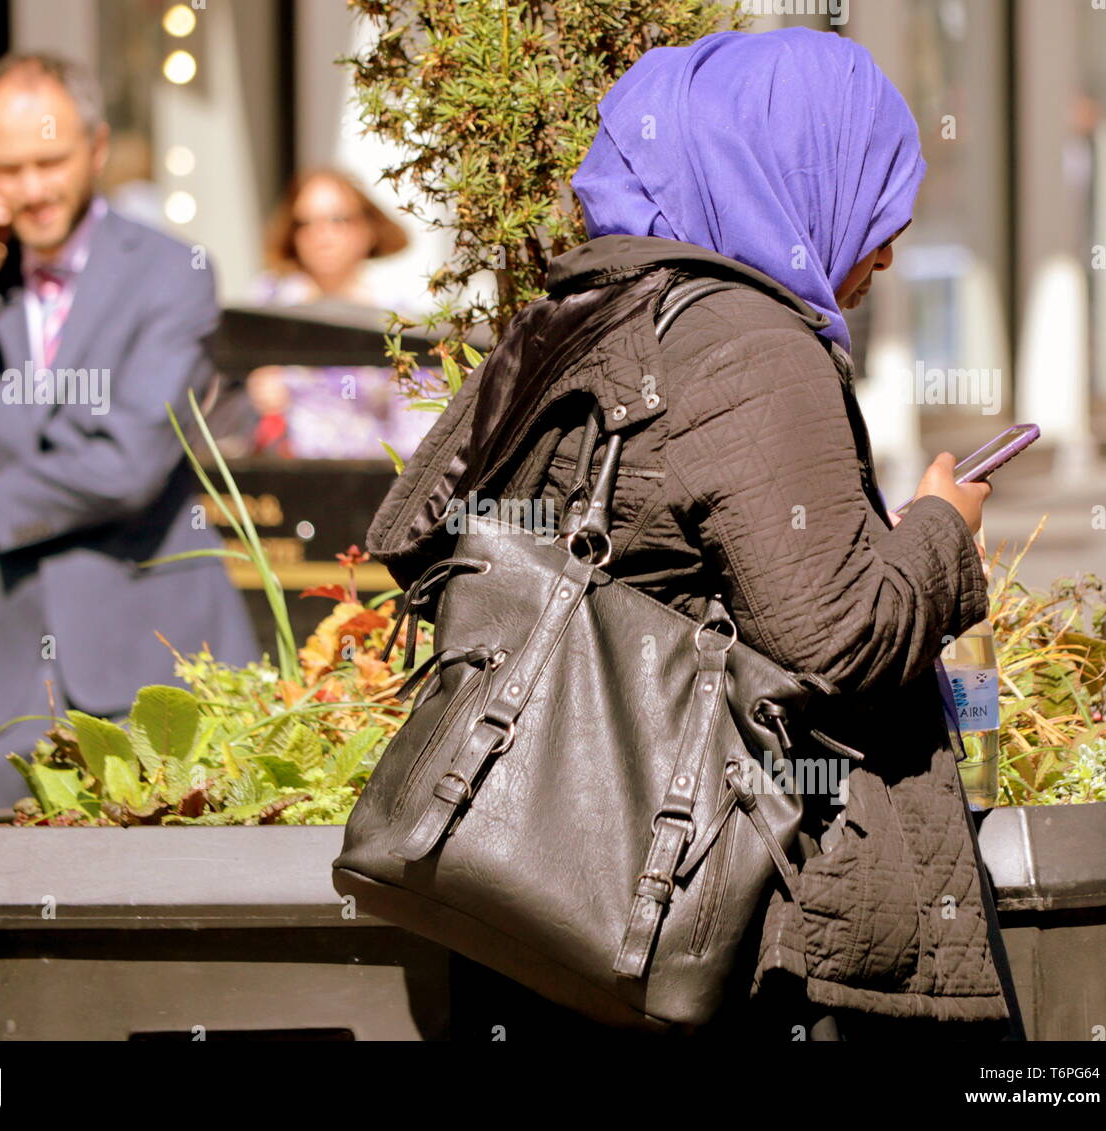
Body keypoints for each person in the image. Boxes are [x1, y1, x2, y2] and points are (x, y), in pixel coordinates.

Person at [364, 28, 1026, 1040]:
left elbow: (424, 530)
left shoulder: (589, 308)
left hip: (533, 879)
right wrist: (942, 530)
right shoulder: (752, 342)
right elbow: (837, 635)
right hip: (709, 918)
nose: (886, 247)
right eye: (872, 200)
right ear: (792, 171)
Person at [0, 53, 258, 811]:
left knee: (160, 904)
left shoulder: (170, 271)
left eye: (50, 160)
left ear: (97, 147)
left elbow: (130, 463)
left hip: (151, 647)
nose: (32, 189)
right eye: (8, 167)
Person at [252, 167, 410, 310]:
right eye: (305, 223)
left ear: (369, 229)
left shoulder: (392, 307)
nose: (321, 234)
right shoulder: (271, 298)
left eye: (337, 219)